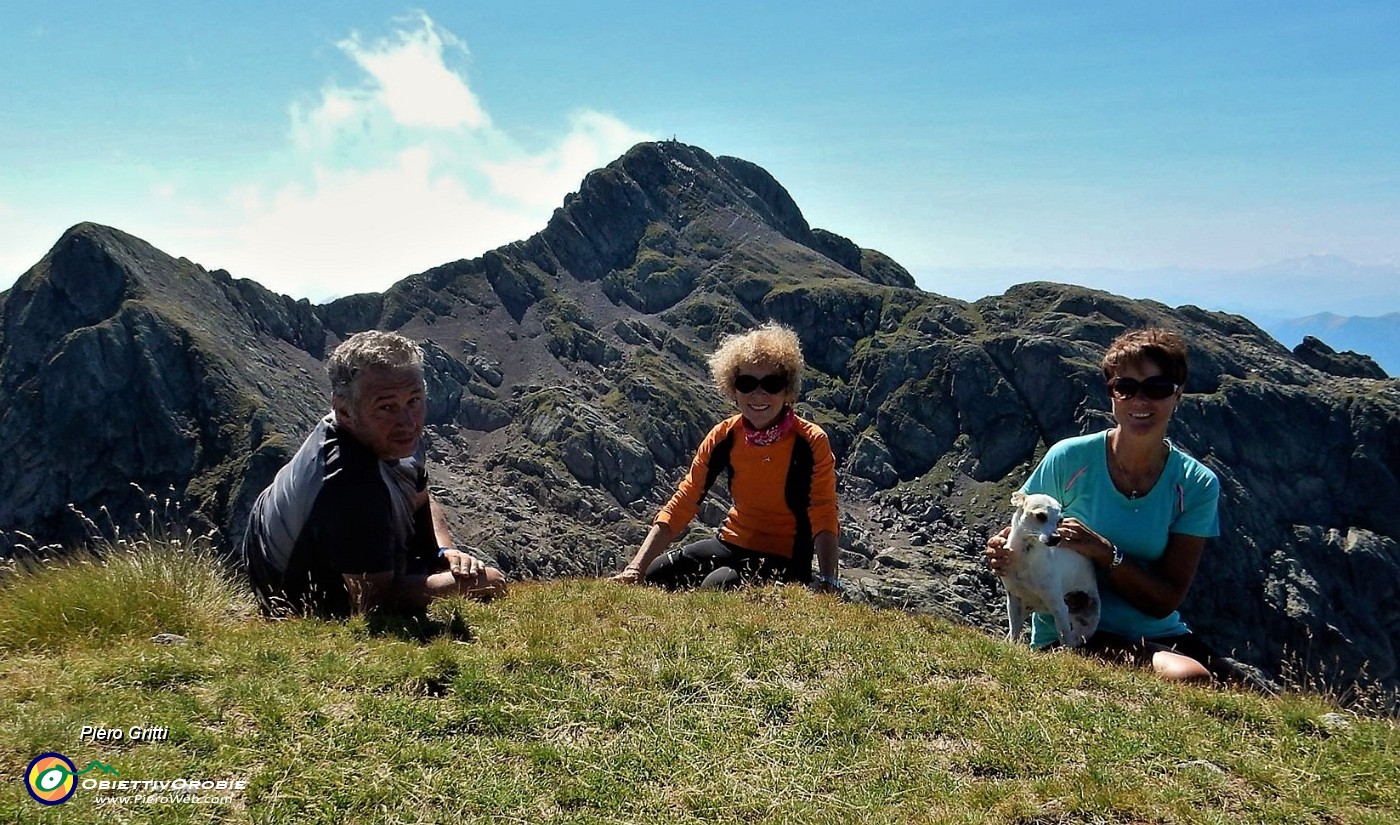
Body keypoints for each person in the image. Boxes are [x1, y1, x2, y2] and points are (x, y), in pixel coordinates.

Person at [985, 327, 1236, 684]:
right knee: (1190, 678)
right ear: (1112, 395)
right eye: (1126, 388)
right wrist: (1002, 551)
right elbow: (1022, 527)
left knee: (1260, 703)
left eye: (1158, 388)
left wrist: (1105, 552)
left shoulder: (1196, 483)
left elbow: (1166, 600)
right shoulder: (1069, 458)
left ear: (1178, 395)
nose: (1140, 401)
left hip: (1162, 630)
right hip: (1073, 629)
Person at [242, 330, 506, 616]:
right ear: (344, 411)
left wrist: (443, 552)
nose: (408, 421)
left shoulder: (389, 436)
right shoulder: (349, 482)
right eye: (387, 406)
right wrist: (480, 583)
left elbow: (422, 500)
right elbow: (374, 601)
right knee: (488, 582)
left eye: (414, 400)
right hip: (299, 598)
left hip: (332, 543)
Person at [611, 322, 842, 591]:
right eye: (747, 384)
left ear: (788, 390)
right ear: (733, 389)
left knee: (716, 588)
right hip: (731, 542)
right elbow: (685, 499)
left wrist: (828, 581)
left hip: (786, 558)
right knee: (653, 578)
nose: (758, 394)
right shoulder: (724, 436)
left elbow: (824, 511)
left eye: (772, 383)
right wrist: (635, 568)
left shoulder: (811, 441)